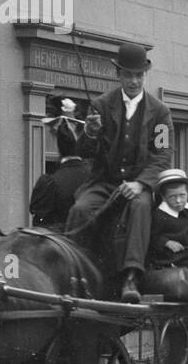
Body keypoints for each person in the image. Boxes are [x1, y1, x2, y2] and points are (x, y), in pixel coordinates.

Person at [66, 42, 172, 303]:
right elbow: (86, 151)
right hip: (105, 182)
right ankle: (74, 270)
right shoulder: (100, 106)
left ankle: (131, 277)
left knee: (139, 207)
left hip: (138, 184)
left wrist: (140, 184)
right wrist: (90, 133)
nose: (134, 81)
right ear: (118, 75)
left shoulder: (160, 112)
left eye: (138, 75)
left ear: (145, 75)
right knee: (80, 209)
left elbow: (163, 156)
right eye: (128, 75)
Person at [30, 119, 92, 231]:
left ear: (59, 146)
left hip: (59, 245)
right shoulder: (94, 179)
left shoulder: (50, 182)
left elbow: (40, 227)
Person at [147, 169, 188, 269]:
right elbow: (152, 236)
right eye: (172, 197)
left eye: (182, 195)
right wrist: (166, 242)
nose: (179, 201)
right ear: (164, 197)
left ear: (187, 193)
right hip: (170, 257)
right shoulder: (159, 215)